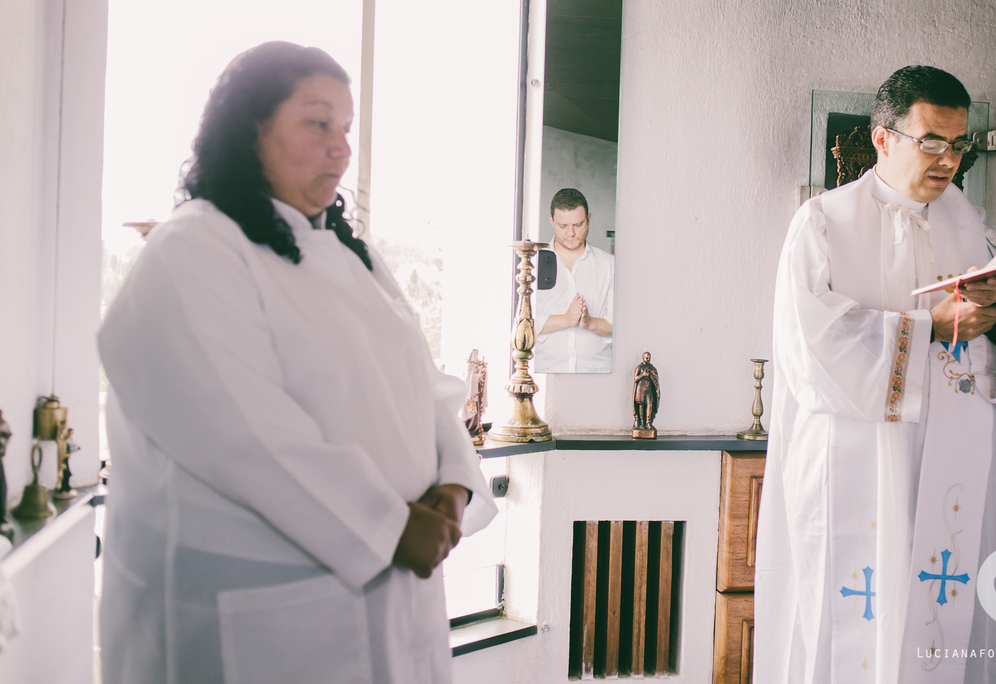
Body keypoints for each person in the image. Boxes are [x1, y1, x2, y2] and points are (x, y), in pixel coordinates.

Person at [97, 41, 496, 684]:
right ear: (251, 128)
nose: (341, 148)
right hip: (263, 612)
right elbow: (241, 430)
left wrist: (452, 488)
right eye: (318, 123)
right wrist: (391, 527)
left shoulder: (351, 255)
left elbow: (425, 386)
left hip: (395, 596)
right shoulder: (194, 248)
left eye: (346, 128)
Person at [753, 66, 996, 684]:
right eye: (932, 142)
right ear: (883, 138)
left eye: (959, 143)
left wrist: (992, 318)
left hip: (951, 457)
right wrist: (930, 327)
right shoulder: (822, 223)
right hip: (857, 461)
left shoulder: (977, 231)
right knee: (856, 623)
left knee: (941, 611)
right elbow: (813, 349)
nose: (948, 160)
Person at [534, 187, 615, 373]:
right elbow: (522, 321)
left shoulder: (609, 265)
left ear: (589, 219)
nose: (570, 233)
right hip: (545, 372)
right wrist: (565, 319)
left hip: (598, 373)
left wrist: (589, 322)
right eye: (563, 226)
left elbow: (620, 326)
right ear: (551, 222)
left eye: (577, 225)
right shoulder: (532, 262)